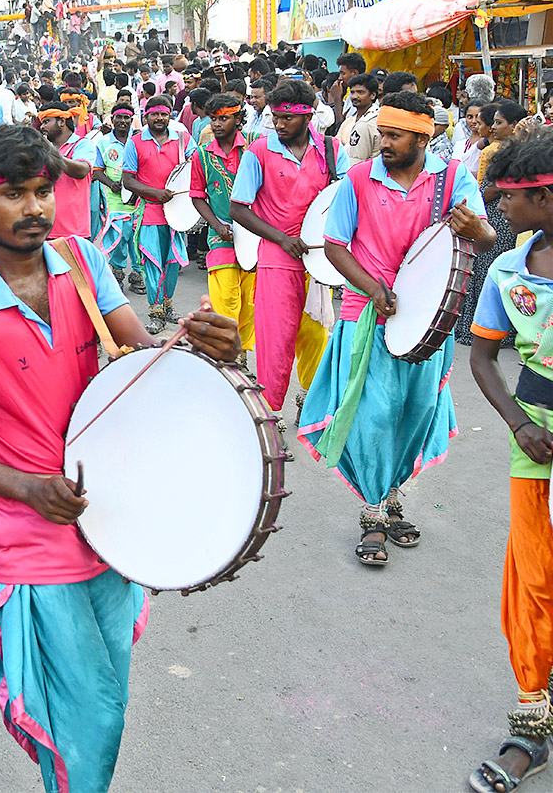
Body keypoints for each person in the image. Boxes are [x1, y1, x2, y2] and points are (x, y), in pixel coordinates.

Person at [0, 122, 242, 793]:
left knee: (102, 700)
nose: (34, 209)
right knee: (84, 716)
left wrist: (199, 345)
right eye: (14, 196)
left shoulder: (83, 262)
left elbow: (141, 359)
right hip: (32, 539)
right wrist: (26, 488)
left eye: (43, 191)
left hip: (114, 523)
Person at [297, 93, 493, 566]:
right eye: (382, 133)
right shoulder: (360, 179)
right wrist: (374, 288)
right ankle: (373, 512)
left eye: (395, 135)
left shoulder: (452, 178)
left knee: (416, 411)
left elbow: (486, 236)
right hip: (368, 313)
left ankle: (393, 496)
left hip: (429, 320)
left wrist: (477, 230)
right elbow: (334, 244)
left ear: (424, 136)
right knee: (377, 414)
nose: (383, 142)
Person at [467, 130, 553, 793]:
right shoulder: (508, 268)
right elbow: (483, 356)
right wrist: (520, 423)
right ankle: (534, 721)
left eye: (514, 199)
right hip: (536, 448)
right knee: (533, 585)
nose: (502, 209)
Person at [230, 79, 349, 420]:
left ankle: (311, 407)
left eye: (287, 118)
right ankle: (270, 416)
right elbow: (239, 208)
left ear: (308, 116)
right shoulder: (260, 151)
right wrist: (281, 238)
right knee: (275, 341)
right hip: (277, 259)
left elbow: (342, 198)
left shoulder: (331, 149)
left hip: (320, 259)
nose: (279, 124)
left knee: (315, 335)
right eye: (275, 117)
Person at [121, 96, 197, 332]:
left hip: (177, 212)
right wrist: (156, 193)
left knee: (172, 262)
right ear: (146, 117)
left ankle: (168, 305)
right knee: (152, 262)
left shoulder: (183, 139)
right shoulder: (135, 143)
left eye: (164, 114)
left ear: (169, 116)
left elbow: (195, 167)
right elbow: (128, 181)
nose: (160, 118)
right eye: (154, 114)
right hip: (150, 212)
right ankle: (155, 311)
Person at [456, 100, 529, 345]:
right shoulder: (500, 149)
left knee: (489, 270)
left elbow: (492, 187)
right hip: (494, 214)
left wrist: (483, 195)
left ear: (515, 125)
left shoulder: (507, 152)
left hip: (497, 216)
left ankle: (485, 330)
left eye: (499, 122)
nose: (493, 127)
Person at [189, 93, 255, 359]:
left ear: (238, 119)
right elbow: (197, 196)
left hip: (255, 236)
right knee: (226, 298)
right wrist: (216, 225)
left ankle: (242, 356)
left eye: (223, 119)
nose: (217, 124)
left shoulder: (255, 146)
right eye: (213, 119)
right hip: (221, 237)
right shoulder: (201, 156)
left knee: (250, 302)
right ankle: (225, 355)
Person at [93, 104, 143, 294]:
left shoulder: (139, 141)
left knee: (136, 237)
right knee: (120, 236)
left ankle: (138, 276)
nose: (122, 121)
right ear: (112, 120)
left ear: (132, 120)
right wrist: (111, 184)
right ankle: (117, 273)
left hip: (138, 197)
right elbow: (97, 171)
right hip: (114, 199)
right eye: (119, 117)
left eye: (126, 118)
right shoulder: (103, 143)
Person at [38, 94, 97, 240]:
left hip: (74, 232)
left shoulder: (83, 144)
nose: (42, 127)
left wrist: (50, 152)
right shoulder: (44, 150)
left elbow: (82, 170)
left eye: (46, 121)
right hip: (45, 230)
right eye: (42, 123)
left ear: (62, 121)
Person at [336, 73, 381, 165]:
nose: (355, 96)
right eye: (352, 92)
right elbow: (336, 147)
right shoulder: (349, 121)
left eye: (360, 92)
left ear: (372, 95)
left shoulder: (373, 121)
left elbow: (356, 161)